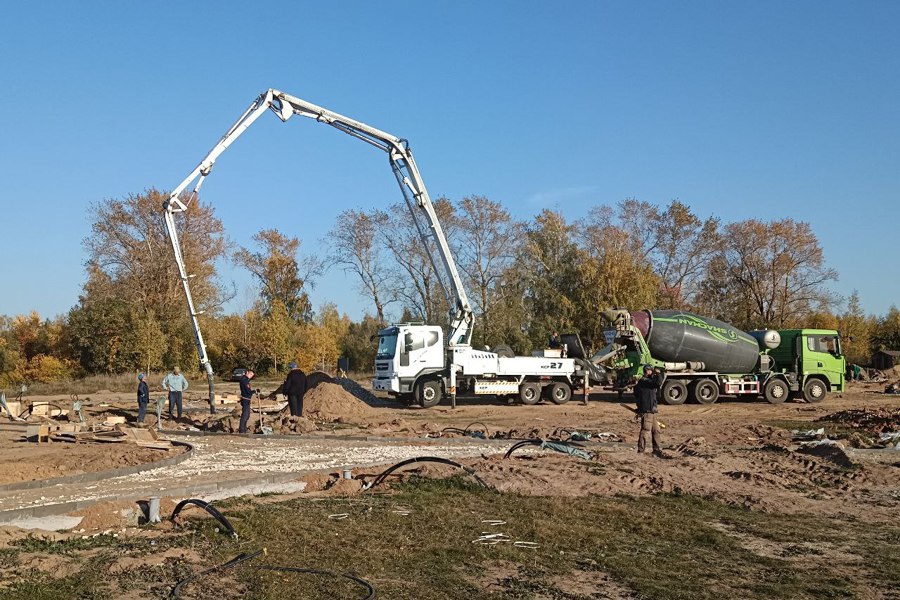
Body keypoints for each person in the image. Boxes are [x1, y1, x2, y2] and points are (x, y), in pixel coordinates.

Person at [634, 364, 666, 457]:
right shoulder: (644, 381)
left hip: (652, 410)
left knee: (656, 430)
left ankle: (657, 449)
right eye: (650, 370)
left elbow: (658, 382)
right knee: (646, 430)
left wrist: (660, 373)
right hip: (647, 410)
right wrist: (658, 374)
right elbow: (658, 383)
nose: (652, 372)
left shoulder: (648, 381)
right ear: (646, 371)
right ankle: (641, 450)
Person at [238, 369, 255, 434]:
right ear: (247, 372)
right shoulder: (244, 380)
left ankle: (244, 428)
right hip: (245, 399)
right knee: (245, 415)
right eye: (250, 374)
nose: (250, 376)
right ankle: (242, 429)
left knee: (247, 415)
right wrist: (254, 391)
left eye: (252, 375)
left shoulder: (246, 380)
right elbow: (248, 391)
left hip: (247, 399)